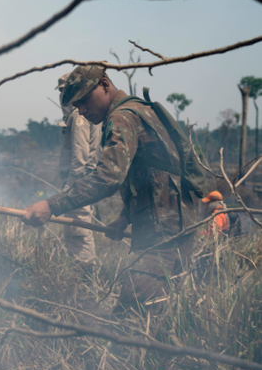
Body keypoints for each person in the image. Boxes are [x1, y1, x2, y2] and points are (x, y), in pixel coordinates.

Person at [22, 65, 197, 310]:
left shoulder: (121, 117)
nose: (81, 111)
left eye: (84, 100)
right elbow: (153, 172)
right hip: (177, 226)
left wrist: (52, 205)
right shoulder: (138, 109)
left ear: (104, 85)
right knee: (160, 315)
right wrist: (125, 218)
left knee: (128, 318)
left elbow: (108, 177)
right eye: (76, 106)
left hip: (162, 233)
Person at [56, 72, 102, 267]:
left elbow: (80, 157)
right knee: (76, 229)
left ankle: (85, 271)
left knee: (79, 229)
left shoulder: (78, 117)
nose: (62, 98)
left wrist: (71, 187)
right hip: (81, 181)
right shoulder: (79, 115)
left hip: (79, 182)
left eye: (65, 92)